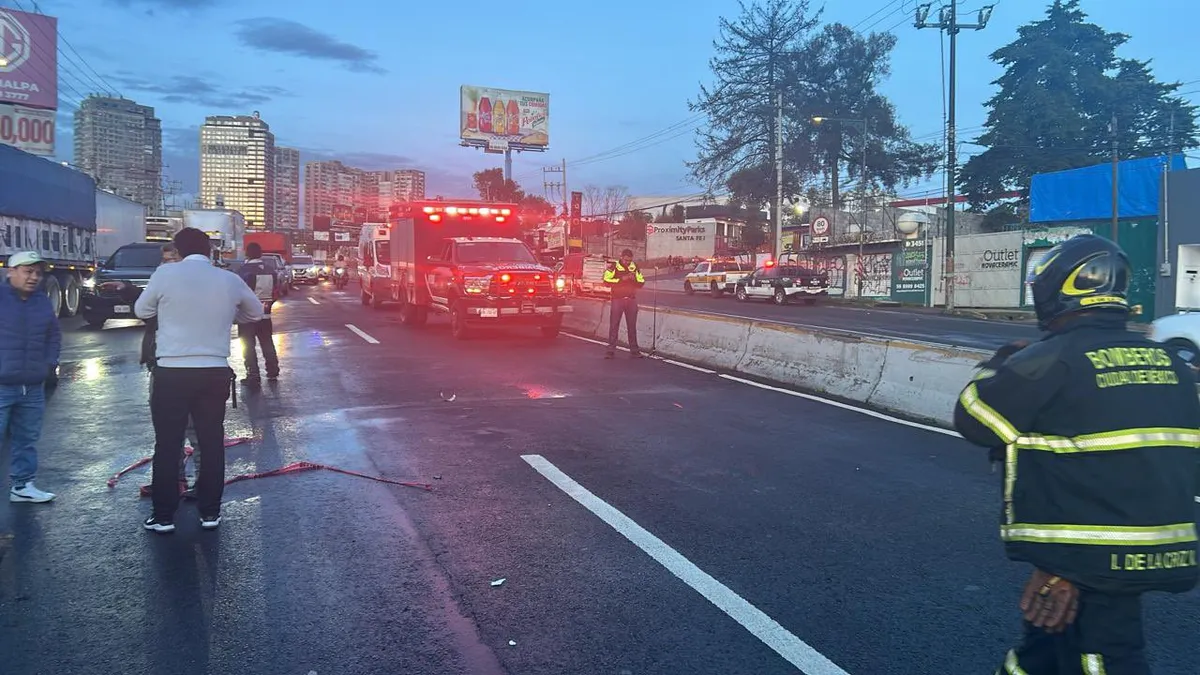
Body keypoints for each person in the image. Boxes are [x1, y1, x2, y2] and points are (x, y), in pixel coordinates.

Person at [953, 234, 1200, 674]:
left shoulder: (1052, 358)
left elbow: (975, 417)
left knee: (1102, 658)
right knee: (1042, 652)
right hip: (1159, 545)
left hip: (1093, 553)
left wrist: (1002, 362)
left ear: (1054, 290)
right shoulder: (1171, 363)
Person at [134, 227, 263, 533]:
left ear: (177, 250)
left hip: (171, 372)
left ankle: (164, 515)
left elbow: (142, 310)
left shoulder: (165, 275)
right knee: (211, 442)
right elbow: (255, 312)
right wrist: (230, 316)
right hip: (213, 371)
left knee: (167, 443)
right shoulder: (228, 279)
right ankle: (210, 512)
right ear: (210, 251)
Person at [138, 243, 200, 498]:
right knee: (165, 430)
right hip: (160, 366)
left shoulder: (192, 289)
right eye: (164, 260)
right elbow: (145, 314)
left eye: (172, 259)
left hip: (188, 368)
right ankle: (170, 480)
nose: (166, 264)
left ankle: (203, 483)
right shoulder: (161, 283)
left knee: (194, 431)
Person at [1, 251, 61, 504]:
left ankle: (22, 486)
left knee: (27, 439)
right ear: (11, 272)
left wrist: (48, 365)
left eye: (38, 273)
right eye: (28, 271)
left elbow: (53, 337)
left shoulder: (42, 301)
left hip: (32, 386)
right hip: (2, 385)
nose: (34, 277)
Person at [236, 242, 280, 385]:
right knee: (267, 342)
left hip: (247, 315)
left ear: (247, 253)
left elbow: (239, 293)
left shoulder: (244, 270)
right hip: (265, 313)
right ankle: (273, 371)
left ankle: (253, 374)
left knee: (248, 345)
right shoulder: (271, 270)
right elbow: (277, 292)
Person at [603, 248, 645, 359]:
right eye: (626, 260)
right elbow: (606, 281)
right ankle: (610, 350)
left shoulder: (634, 266)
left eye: (629, 260)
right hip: (618, 299)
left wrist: (633, 278)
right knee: (614, 325)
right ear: (621, 257)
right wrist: (622, 279)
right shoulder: (613, 266)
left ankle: (634, 350)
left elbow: (641, 282)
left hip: (631, 300)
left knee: (632, 326)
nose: (628, 262)